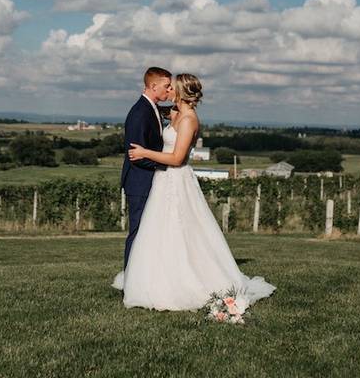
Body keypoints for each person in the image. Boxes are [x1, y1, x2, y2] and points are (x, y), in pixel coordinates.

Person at [113, 73, 275, 312]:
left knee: (181, 230)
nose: (168, 91)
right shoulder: (176, 112)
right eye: (166, 87)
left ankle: (184, 280)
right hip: (162, 181)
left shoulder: (188, 119)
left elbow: (177, 158)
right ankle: (152, 279)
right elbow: (154, 112)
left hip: (176, 178)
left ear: (179, 91)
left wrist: (145, 153)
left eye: (171, 88)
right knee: (158, 231)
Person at [120, 66, 173, 269]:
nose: (169, 91)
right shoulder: (140, 113)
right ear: (153, 85)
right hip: (139, 182)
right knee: (138, 233)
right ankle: (131, 280)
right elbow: (135, 155)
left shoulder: (151, 108)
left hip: (149, 180)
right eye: (166, 86)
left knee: (149, 233)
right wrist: (168, 164)